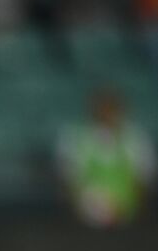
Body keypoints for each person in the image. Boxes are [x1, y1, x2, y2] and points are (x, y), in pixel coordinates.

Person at [55, 88, 154, 227]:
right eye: (103, 108)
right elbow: (69, 178)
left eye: (111, 108)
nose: (107, 113)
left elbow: (143, 178)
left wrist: (126, 208)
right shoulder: (75, 138)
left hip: (127, 212)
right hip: (87, 212)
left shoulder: (135, 138)